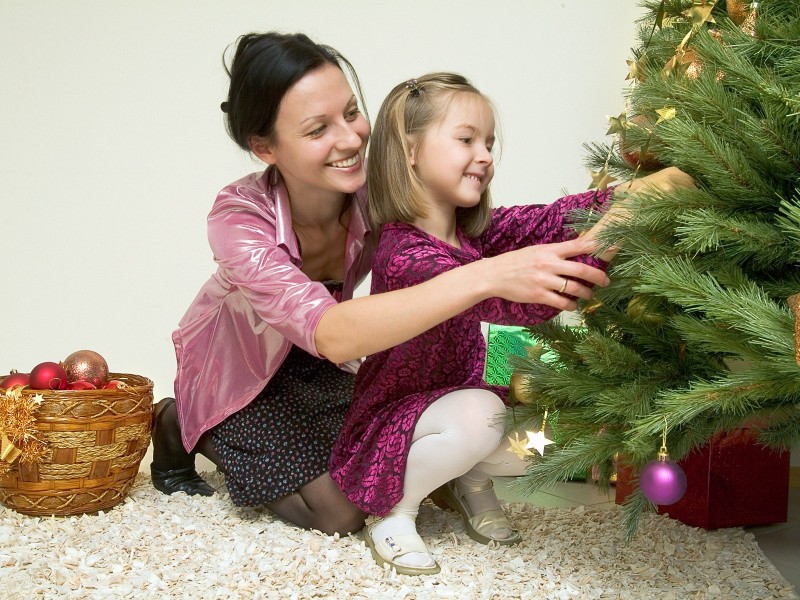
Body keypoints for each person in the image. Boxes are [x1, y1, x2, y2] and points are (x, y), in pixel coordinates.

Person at [150, 31, 689, 539]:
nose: (350, 140)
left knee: (372, 459)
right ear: (265, 147)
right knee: (339, 513)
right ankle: (186, 420)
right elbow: (331, 330)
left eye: (352, 114)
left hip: (318, 363)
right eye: (318, 130)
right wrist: (488, 275)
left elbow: (483, 233)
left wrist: (639, 196)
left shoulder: (373, 194)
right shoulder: (237, 216)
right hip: (239, 371)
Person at [327, 73, 695, 575]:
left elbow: (554, 219)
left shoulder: (476, 236)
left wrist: (644, 190)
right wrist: (606, 240)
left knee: (541, 438)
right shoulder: (405, 253)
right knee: (483, 415)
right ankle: (393, 510)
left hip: (461, 405)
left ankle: (468, 480)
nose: (484, 155)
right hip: (397, 420)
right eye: (465, 139)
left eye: (489, 142)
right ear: (410, 150)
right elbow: (521, 303)